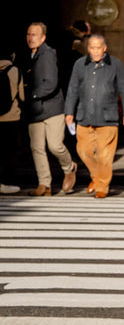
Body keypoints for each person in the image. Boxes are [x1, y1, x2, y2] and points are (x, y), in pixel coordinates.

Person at [64, 33, 124, 199]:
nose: (95, 51)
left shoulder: (115, 64)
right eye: (92, 48)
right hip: (84, 115)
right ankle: (97, 178)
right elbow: (72, 89)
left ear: (104, 48)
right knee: (83, 150)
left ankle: (102, 186)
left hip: (108, 118)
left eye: (98, 48)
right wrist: (69, 112)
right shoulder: (80, 64)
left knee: (105, 156)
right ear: (88, 49)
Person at [22, 22, 76, 197]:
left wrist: (31, 95)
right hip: (35, 110)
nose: (31, 38)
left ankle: (69, 167)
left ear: (43, 37)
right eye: (29, 34)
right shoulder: (32, 54)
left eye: (34, 35)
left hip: (52, 108)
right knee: (37, 147)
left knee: (55, 145)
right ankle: (44, 184)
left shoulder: (47, 54)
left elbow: (51, 84)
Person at [0, 44, 23, 194]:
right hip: (11, 117)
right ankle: (5, 183)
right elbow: (22, 96)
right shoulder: (15, 71)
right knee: (8, 152)